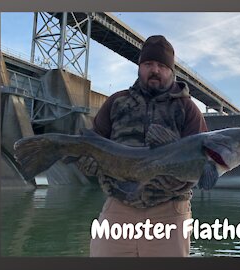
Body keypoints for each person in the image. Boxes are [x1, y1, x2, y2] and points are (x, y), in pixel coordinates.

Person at [82, 35, 208, 257]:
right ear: (139, 67)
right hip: (118, 208)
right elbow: (92, 143)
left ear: (172, 71)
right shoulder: (116, 102)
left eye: (161, 65)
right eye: (149, 64)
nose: (155, 70)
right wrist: (86, 162)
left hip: (170, 211)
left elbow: (201, 162)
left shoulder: (188, 109)